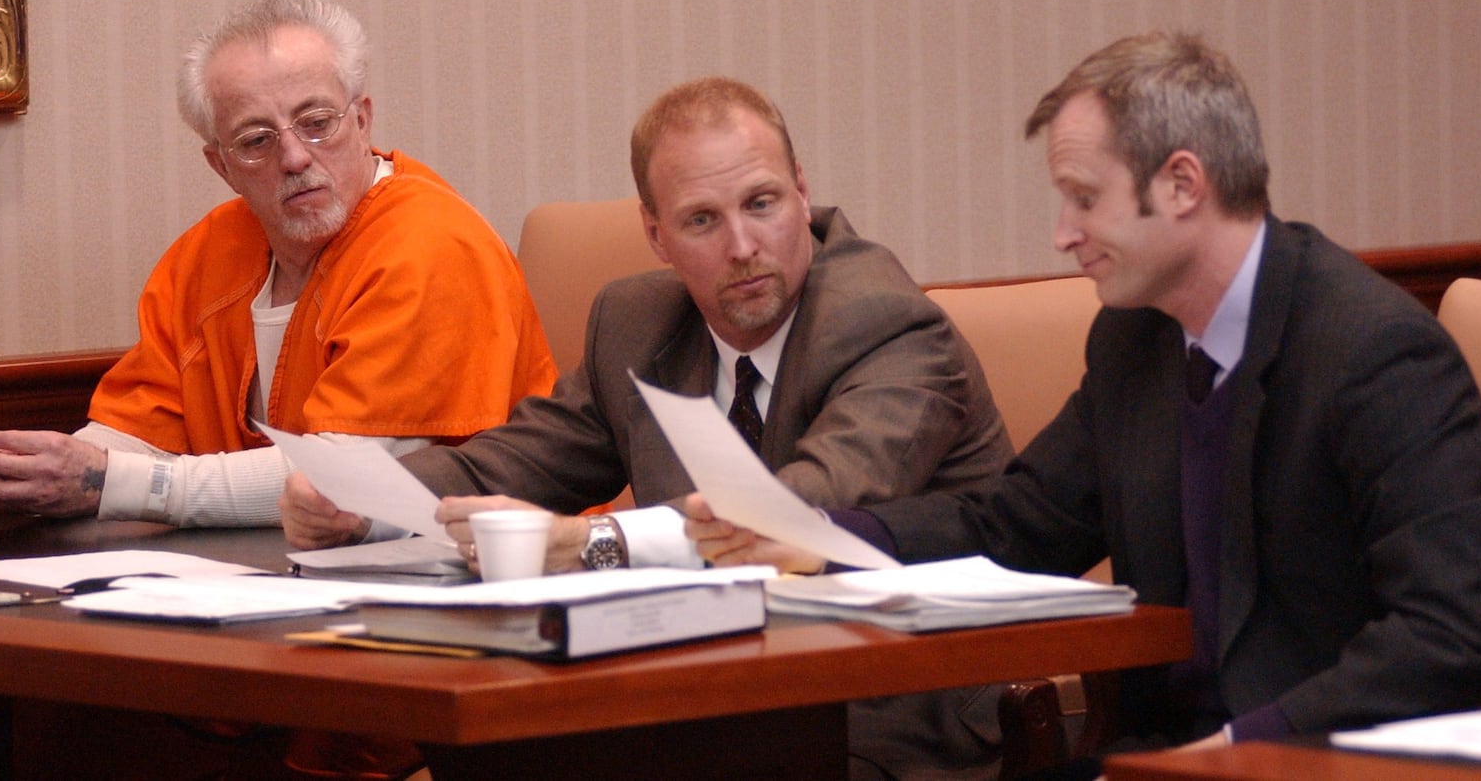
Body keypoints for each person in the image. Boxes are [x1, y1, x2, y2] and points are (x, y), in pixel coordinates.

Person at [686, 32, 1481, 774]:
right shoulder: (1136, 342)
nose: (1062, 232)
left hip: (1314, 757)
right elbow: (1016, 525)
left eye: (1085, 197)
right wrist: (805, 533)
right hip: (1159, 752)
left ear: (1183, 185)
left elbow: (1456, 631)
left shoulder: (1373, 351)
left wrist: (1241, 747)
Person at [282, 75, 1017, 779]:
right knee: (498, 743)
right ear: (657, 235)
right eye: (703, 219)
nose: (741, 245)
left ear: (801, 190)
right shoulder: (636, 325)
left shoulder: (885, 323)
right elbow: (510, 463)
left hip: (888, 706)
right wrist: (364, 503)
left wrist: (596, 541)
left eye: (762, 203)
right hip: (703, 693)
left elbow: (796, 515)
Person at [0, 0, 557, 528]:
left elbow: (342, 478)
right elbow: (140, 434)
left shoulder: (431, 243)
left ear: (363, 119)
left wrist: (108, 482)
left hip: (482, 569)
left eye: (317, 123)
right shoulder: (207, 254)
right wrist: (32, 463)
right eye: (256, 140)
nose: (294, 156)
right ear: (221, 165)